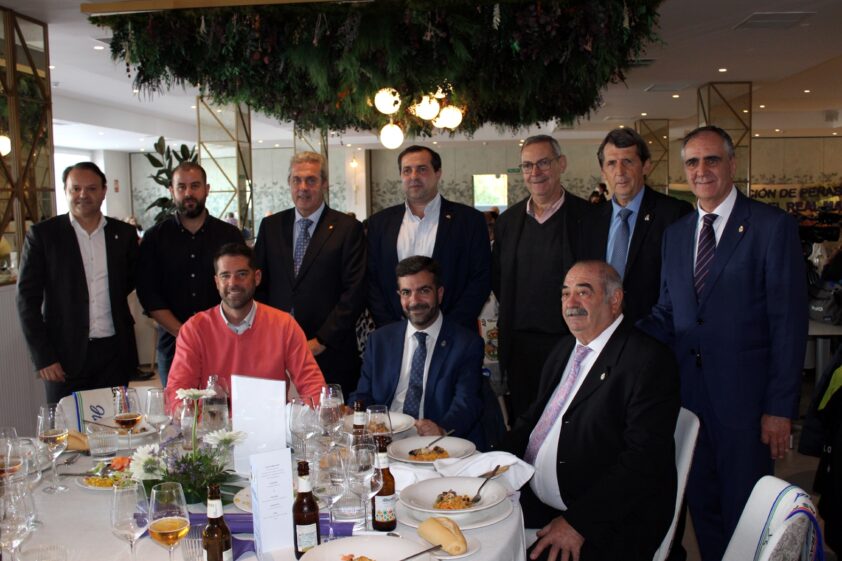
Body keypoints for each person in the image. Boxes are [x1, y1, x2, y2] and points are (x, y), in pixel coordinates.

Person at [638, 125, 808, 560]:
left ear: (733, 164)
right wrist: (615, 334)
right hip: (689, 404)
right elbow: (668, 313)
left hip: (748, 408)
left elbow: (787, 324)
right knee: (704, 510)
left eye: (712, 159)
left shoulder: (772, 227)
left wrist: (780, 408)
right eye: (692, 162)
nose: (702, 170)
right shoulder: (676, 236)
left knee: (748, 514)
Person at [503, 260, 679, 561]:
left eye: (583, 293)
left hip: (606, 519)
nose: (571, 303)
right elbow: (532, 422)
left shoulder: (648, 361)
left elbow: (644, 461)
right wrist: (485, 461)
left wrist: (578, 523)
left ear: (615, 299)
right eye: (565, 293)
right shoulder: (565, 350)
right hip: (540, 500)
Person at [17, 162, 139, 403]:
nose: (83, 195)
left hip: (114, 353)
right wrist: (43, 357)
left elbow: (128, 281)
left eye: (91, 188)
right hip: (63, 357)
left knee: (116, 429)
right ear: (66, 191)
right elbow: (26, 302)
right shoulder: (43, 236)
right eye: (75, 189)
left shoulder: (123, 234)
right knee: (68, 434)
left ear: (104, 191)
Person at [492, 135, 590, 419]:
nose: (535, 173)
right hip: (520, 346)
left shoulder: (589, 217)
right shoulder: (508, 222)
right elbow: (498, 278)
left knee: (570, 422)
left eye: (543, 163)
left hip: (571, 342)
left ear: (561, 164)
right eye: (527, 166)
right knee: (524, 422)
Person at [254, 152, 366, 394]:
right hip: (276, 350)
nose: (303, 188)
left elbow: (354, 292)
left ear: (324, 183)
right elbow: (259, 286)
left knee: (331, 423)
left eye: (311, 180)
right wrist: (268, 336)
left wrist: (320, 341)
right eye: (296, 180)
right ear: (289, 183)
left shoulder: (348, 229)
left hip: (330, 352)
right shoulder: (270, 227)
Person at [165, 243, 325, 406]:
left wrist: (316, 412)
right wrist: (181, 411)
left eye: (241, 274)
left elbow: (312, 384)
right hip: (214, 427)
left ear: (257, 277)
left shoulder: (284, 325)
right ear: (216, 282)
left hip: (270, 426)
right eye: (225, 275)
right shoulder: (194, 329)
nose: (233, 283)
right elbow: (177, 388)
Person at [349, 256, 485, 445]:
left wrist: (442, 429)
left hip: (433, 443)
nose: (414, 301)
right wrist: (351, 412)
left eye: (424, 291)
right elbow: (363, 394)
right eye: (406, 292)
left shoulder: (466, 344)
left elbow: (467, 402)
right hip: (385, 440)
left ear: (440, 293)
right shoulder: (379, 340)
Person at [136, 162, 243, 387]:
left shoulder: (229, 235)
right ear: (171, 191)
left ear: (206, 189)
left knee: (226, 411)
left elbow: (241, 287)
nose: (188, 193)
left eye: (195, 186)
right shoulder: (155, 238)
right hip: (173, 346)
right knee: (179, 414)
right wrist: (184, 332)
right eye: (181, 187)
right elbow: (149, 294)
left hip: (224, 342)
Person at [366, 145, 490, 331]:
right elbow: (371, 280)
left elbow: (481, 278)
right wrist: (391, 327)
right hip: (396, 334)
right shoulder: (379, 224)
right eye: (407, 170)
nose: (414, 176)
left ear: (438, 172)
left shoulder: (470, 221)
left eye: (422, 169)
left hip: (455, 334)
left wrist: (448, 327)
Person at [578, 128, 693, 323]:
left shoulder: (675, 214)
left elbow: (680, 286)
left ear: (646, 166)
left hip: (655, 335)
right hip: (602, 332)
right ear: (603, 171)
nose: (620, 172)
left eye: (628, 162)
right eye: (612, 163)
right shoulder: (589, 219)